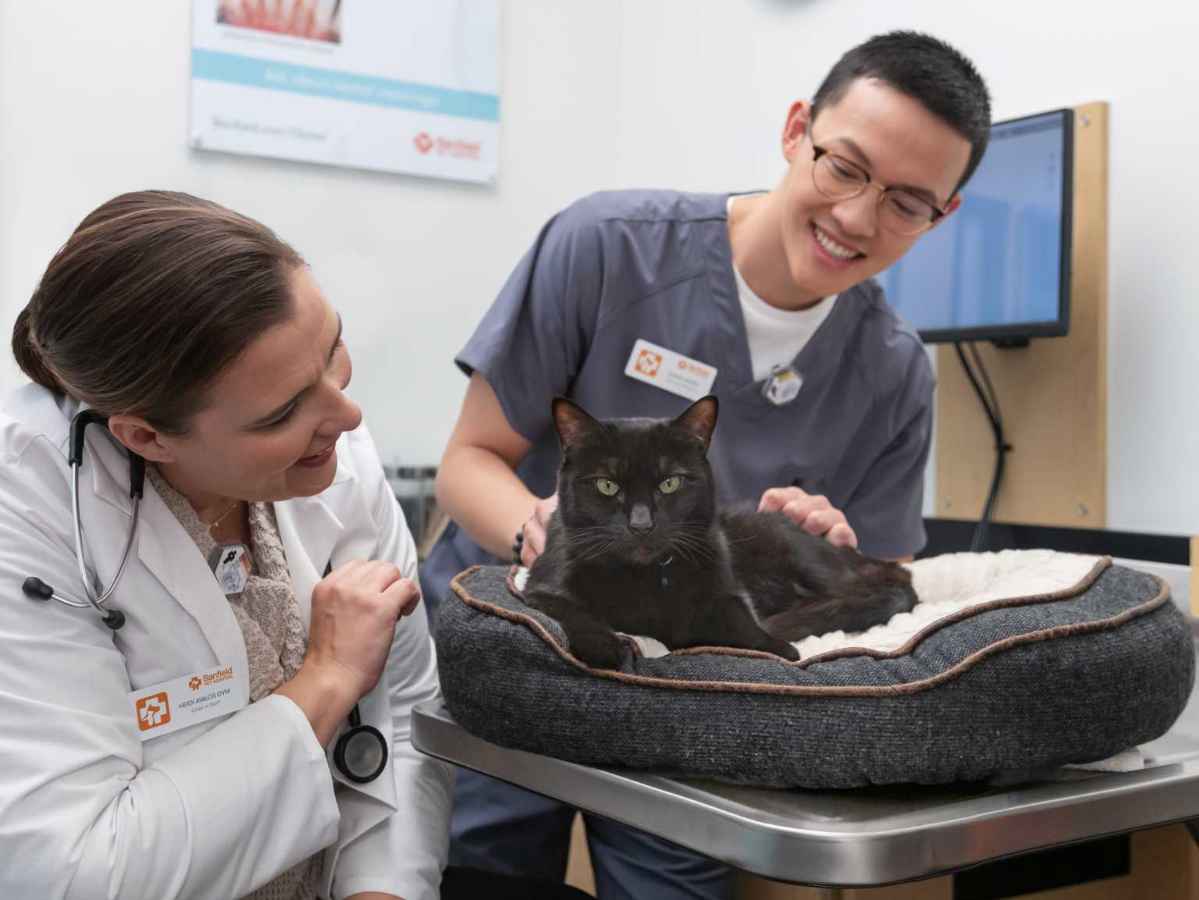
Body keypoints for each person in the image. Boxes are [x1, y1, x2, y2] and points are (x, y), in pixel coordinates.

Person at [421, 30, 993, 900]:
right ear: (797, 129)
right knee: (485, 873)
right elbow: (469, 460)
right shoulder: (609, 247)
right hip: (524, 644)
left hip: (689, 682)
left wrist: (833, 546)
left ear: (941, 216)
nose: (857, 218)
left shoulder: (893, 368)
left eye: (908, 202)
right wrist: (537, 528)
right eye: (844, 168)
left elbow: (884, 586)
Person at [0, 191, 591, 900]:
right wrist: (325, 679)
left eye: (332, 349)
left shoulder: (328, 448)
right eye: (283, 411)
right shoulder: (30, 512)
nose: (347, 412)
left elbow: (402, 716)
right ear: (146, 437)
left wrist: (386, 888)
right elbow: (75, 875)